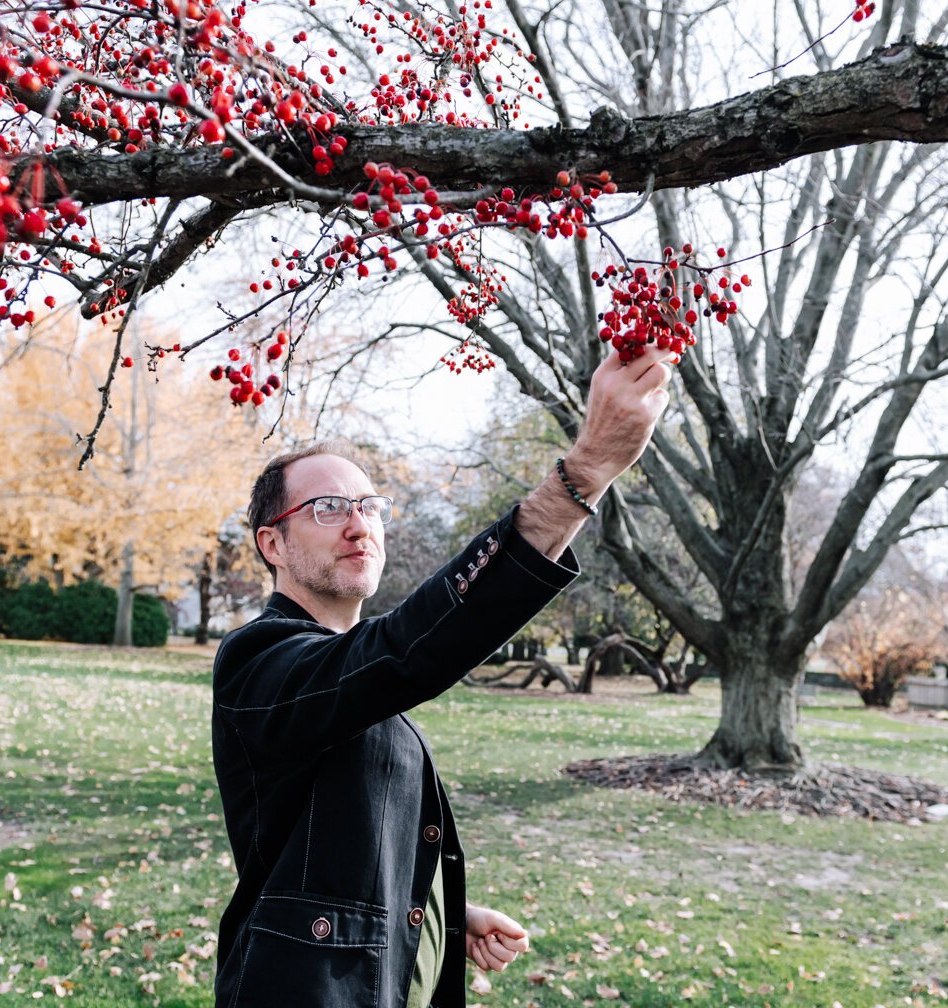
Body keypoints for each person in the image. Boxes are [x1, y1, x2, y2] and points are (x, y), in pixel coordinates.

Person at [210, 350, 671, 1008]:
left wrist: (438, 916)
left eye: (370, 506)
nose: (358, 523)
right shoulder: (259, 661)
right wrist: (586, 471)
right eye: (327, 507)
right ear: (272, 544)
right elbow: (406, 651)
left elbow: (340, 844)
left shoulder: (352, 671)